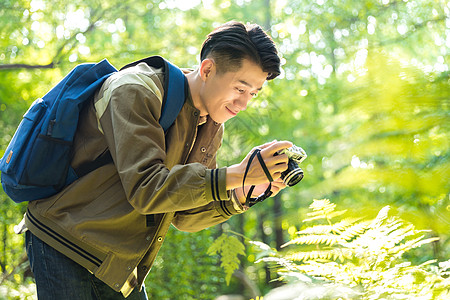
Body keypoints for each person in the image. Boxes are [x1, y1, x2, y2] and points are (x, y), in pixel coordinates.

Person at [22, 21, 292, 299]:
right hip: (64, 241)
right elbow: (147, 190)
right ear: (208, 70)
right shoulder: (135, 89)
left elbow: (183, 216)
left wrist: (241, 193)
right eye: (240, 88)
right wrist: (237, 173)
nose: (243, 103)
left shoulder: (211, 123)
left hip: (117, 262)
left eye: (253, 93)